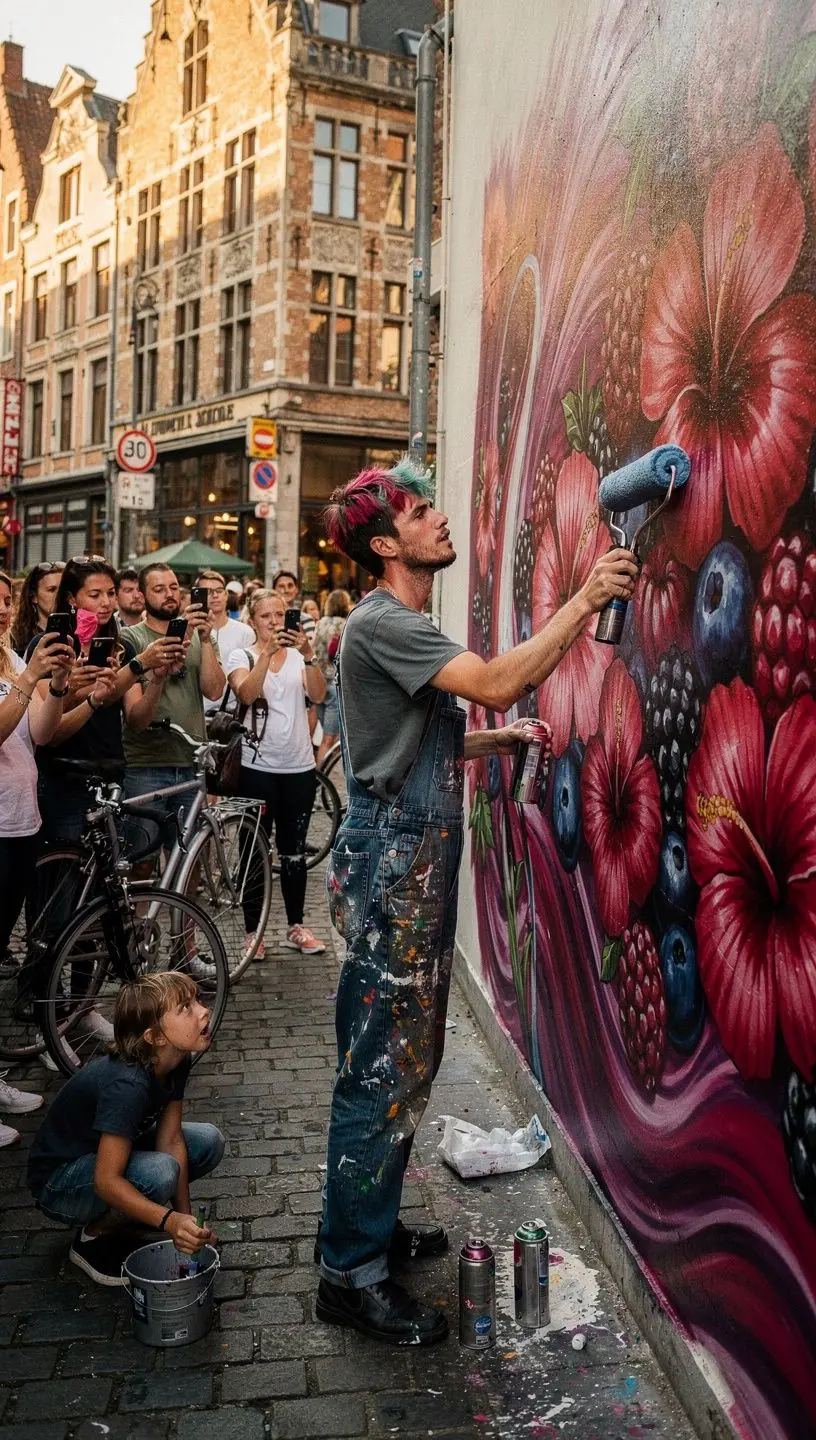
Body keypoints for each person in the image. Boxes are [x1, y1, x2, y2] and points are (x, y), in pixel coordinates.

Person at [314, 457, 638, 1346]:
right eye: (420, 513)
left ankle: (370, 1229)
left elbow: (415, 738)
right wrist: (583, 598)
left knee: (402, 1062)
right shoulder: (386, 623)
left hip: (405, 861)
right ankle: (350, 1270)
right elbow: (493, 677)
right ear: (387, 545)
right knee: (380, 1067)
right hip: (396, 867)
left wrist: (493, 741)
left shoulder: (400, 623)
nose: (439, 519)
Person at [26, 971, 224, 1286]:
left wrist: (187, 1227)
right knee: (161, 1172)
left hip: (103, 1157)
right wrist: (168, 1221)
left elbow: (171, 1139)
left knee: (208, 1141)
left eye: (197, 1000)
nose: (203, 1010)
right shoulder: (127, 1084)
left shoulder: (177, 1057)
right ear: (155, 1037)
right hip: (59, 1182)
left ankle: (126, 1219)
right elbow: (106, 1181)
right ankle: (93, 1237)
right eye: (185, 1007)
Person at [0, 569, 75, 1146]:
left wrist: (54, 684)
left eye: (5, 603)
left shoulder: (6, 653)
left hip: (21, 821)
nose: (3, 613)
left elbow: (40, 736)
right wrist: (28, 676)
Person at [33, 557, 177, 847]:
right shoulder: (50, 646)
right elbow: (51, 729)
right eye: (95, 595)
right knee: (63, 879)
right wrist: (135, 667)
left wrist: (157, 678)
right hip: (64, 777)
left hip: (110, 776)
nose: (106, 603)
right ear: (72, 598)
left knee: (107, 878)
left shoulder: (122, 645)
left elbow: (137, 719)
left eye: (111, 593)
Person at [226, 588, 327, 958]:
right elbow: (246, 695)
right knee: (254, 851)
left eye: (279, 614)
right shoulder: (242, 654)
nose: (274, 621)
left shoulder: (301, 658)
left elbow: (317, 695)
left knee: (295, 852)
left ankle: (296, 926)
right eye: (266, 615)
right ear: (252, 620)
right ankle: (253, 932)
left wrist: (310, 655)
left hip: (298, 766)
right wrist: (266, 655)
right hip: (256, 767)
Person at [120, 563, 225, 822]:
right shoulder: (130, 638)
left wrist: (205, 637)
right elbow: (135, 719)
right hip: (146, 764)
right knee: (143, 858)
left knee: (191, 856)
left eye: (174, 587)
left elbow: (213, 691)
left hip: (191, 761)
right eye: (159, 589)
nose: (169, 594)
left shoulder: (204, 636)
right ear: (143, 597)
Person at [194, 569, 254, 716]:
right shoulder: (191, 631)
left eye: (219, 590)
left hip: (232, 713)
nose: (214, 595)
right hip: (197, 710)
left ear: (226, 595)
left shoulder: (245, 632)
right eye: (207, 591)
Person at [312, 588, 350, 766]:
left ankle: (318, 776)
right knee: (329, 738)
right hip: (335, 683)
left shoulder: (320, 623)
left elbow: (313, 648)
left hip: (318, 683)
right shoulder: (345, 624)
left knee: (325, 736)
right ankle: (319, 780)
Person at [11, 561, 65, 655]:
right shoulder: (15, 639)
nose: (59, 596)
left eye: (62, 589)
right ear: (34, 597)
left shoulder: (77, 635)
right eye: (51, 590)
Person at [272, 570, 316, 640]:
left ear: (296, 589)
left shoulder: (306, 619)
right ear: (274, 590)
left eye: (290, 585)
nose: (286, 590)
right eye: (281, 586)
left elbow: (311, 647)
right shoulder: (269, 618)